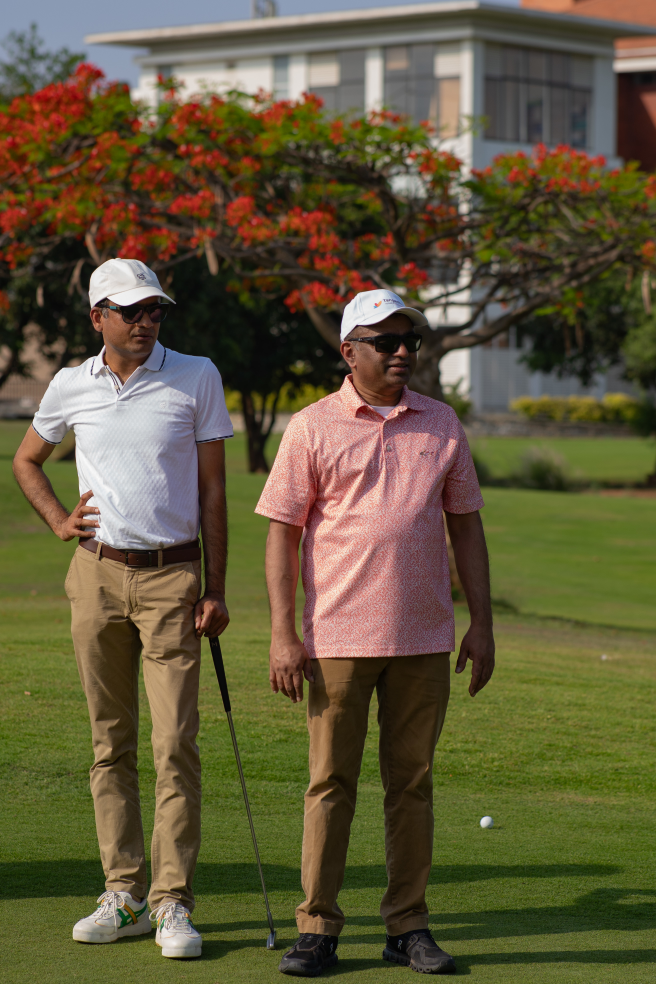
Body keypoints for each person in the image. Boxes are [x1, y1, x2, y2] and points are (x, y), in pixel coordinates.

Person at [255, 288, 495, 977]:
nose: (401, 353)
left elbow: (466, 528)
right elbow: (282, 536)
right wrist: (282, 634)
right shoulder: (312, 426)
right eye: (385, 342)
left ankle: (407, 925)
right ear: (348, 351)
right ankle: (317, 928)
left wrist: (481, 623)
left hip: (424, 638)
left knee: (411, 785)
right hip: (336, 638)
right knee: (330, 783)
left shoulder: (442, 423)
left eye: (409, 342)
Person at [12, 258, 233, 959]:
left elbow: (215, 492)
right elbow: (26, 459)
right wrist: (58, 520)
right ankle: (125, 892)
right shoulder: (70, 383)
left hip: (173, 579)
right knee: (110, 744)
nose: (146, 321)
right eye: (131, 311)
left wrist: (216, 587)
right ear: (97, 317)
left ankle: (172, 902)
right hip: (96, 576)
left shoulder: (196, 375)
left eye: (154, 310)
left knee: (175, 745)